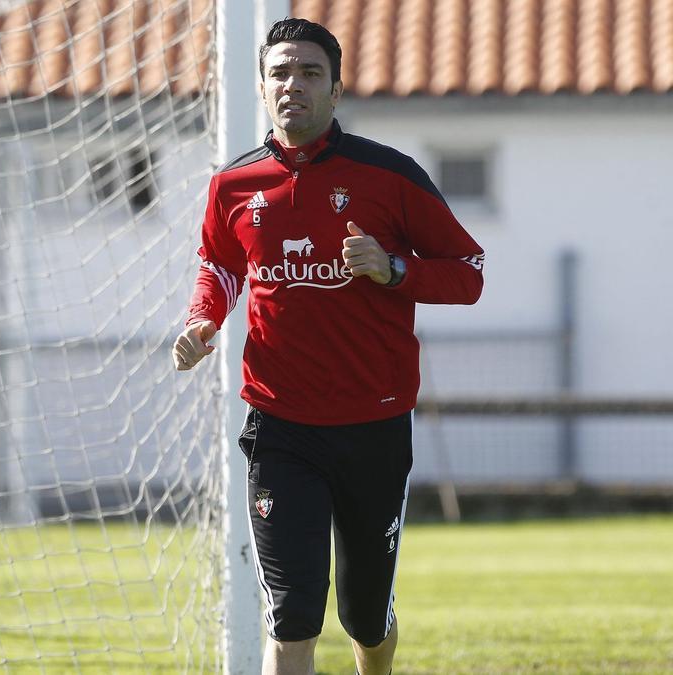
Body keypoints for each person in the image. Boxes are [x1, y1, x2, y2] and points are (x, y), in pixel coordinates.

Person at [172, 18, 484, 675]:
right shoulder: (233, 186)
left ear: (337, 89)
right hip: (280, 426)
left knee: (365, 619)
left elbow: (469, 271)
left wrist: (394, 268)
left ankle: (377, 647)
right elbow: (221, 265)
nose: (294, 85)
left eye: (311, 73)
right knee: (292, 618)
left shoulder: (390, 177)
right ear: (261, 87)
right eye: (281, 72)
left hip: (374, 424)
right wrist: (205, 319)